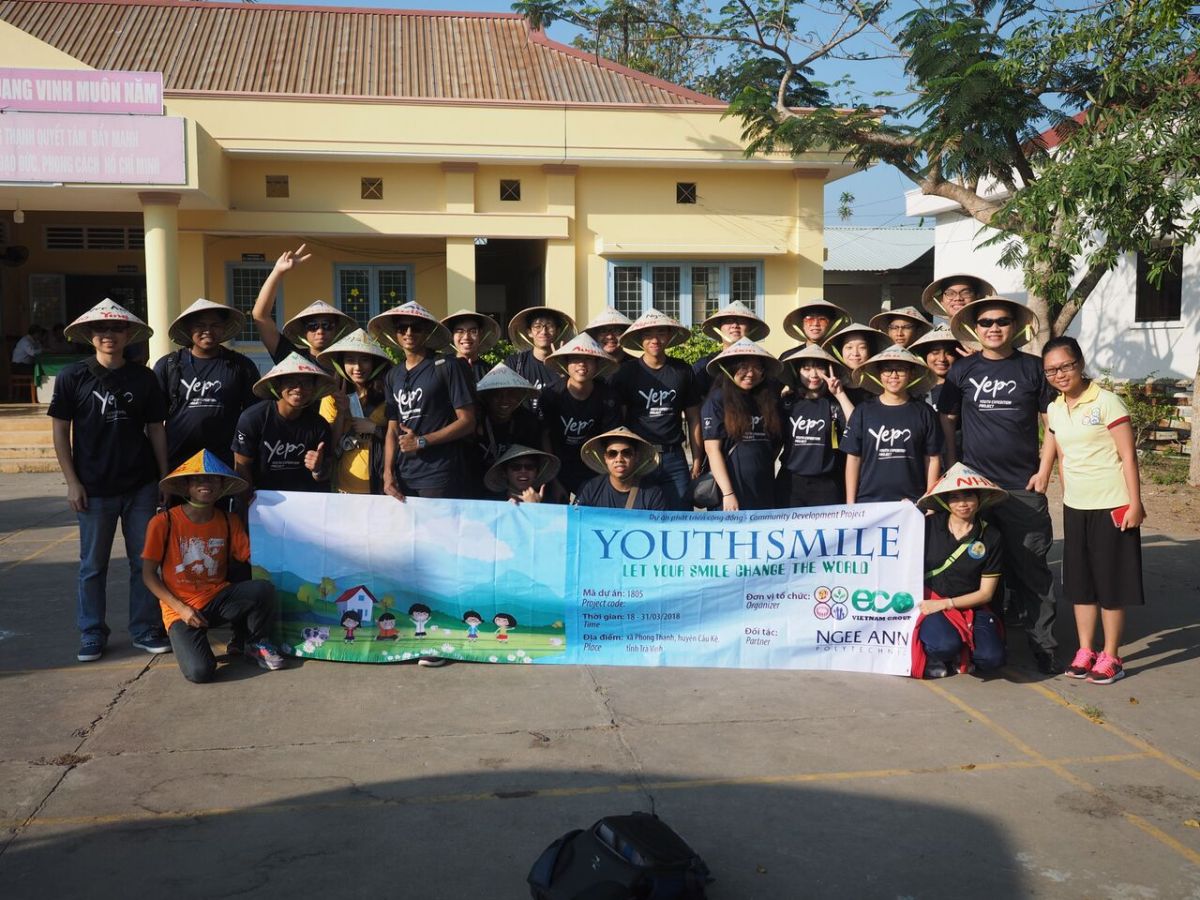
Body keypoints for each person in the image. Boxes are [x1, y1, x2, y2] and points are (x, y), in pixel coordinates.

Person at [940, 295, 1062, 674]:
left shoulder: (1032, 369)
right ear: (975, 328)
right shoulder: (962, 370)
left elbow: (1052, 422)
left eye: (1002, 321)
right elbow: (947, 419)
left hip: (1023, 488)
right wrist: (952, 465)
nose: (994, 328)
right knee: (979, 567)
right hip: (976, 490)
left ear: (1015, 326)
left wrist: (1045, 470)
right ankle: (987, 641)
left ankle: (1044, 644)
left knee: (1031, 568)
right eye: (986, 322)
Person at [49, 299, 171, 662]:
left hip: (141, 484)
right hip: (94, 488)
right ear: (89, 334)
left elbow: (156, 429)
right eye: (101, 329)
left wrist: (164, 477)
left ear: (128, 334)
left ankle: (145, 628)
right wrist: (72, 482)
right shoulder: (72, 377)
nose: (109, 335)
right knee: (92, 566)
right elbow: (60, 431)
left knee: (143, 562)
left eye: (117, 328)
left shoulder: (144, 378)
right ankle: (91, 632)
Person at [1036, 337, 1146, 684]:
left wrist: (1135, 503)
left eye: (1065, 366)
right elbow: (1054, 441)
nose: (1059, 374)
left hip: (1112, 504)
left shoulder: (1107, 401)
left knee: (1110, 584)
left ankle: (1112, 655)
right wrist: (1044, 472)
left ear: (1080, 364)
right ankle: (1086, 650)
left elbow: (1128, 455)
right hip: (1076, 506)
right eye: (1051, 370)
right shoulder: (1056, 407)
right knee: (1080, 584)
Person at [142, 450, 282, 682]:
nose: (205, 484)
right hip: (180, 609)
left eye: (212, 479)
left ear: (222, 487)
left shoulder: (229, 520)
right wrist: (181, 609)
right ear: (186, 486)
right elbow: (148, 575)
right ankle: (189, 640)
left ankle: (254, 642)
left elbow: (254, 558)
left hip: (218, 599)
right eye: (198, 479)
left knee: (262, 589)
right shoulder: (163, 523)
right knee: (200, 672)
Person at [370, 301, 475, 500]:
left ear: (427, 332)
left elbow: (468, 421)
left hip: (439, 473)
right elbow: (392, 429)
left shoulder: (447, 366)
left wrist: (421, 441)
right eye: (402, 328)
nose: (409, 333)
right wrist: (388, 474)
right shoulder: (393, 375)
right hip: (403, 475)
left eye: (416, 328)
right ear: (396, 333)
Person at [911, 463, 1008, 679]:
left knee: (991, 658)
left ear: (980, 499)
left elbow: (986, 594)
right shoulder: (927, 525)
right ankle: (937, 654)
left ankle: (961, 652)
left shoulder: (991, 536)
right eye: (954, 497)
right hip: (931, 603)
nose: (962, 503)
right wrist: (902, 512)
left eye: (968, 496)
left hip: (971, 606)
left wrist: (947, 604)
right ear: (945, 502)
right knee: (944, 645)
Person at [610, 308, 702, 510]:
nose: (655, 340)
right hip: (639, 456)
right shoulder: (626, 373)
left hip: (674, 456)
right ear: (640, 339)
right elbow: (620, 421)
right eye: (648, 334)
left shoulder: (682, 370)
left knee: (681, 515)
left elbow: (694, 417)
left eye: (661, 333)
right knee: (639, 514)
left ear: (670, 336)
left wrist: (697, 459)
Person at [153, 298, 261, 470]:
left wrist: (244, 468)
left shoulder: (241, 366)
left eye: (215, 325)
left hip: (225, 463)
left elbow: (254, 417)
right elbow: (154, 423)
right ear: (189, 329)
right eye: (200, 325)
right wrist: (162, 469)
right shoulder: (169, 365)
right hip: (179, 463)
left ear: (223, 328)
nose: (208, 330)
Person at [843, 345, 941, 503]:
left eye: (901, 370)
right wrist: (850, 503)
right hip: (869, 501)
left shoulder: (925, 412)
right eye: (887, 370)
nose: (893, 375)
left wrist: (928, 501)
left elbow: (933, 459)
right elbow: (853, 458)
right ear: (879, 374)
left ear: (911, 374)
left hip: (912, 501)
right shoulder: (863, 411)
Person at [232, 353, 337, 495]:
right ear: (278, 385)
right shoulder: (253, 418)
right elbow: (242, 466)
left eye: (306, 383)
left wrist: (317, 469)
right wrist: (248, 502)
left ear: (314, 389)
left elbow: (325, 475)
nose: (298, 388)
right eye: (291, 381)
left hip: (304, 500)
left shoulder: (319, 425)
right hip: (261, 499)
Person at [701, 339, 784, 511]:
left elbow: (775, 443)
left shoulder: (768, 399)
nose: (750, 373)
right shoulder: (718, 399)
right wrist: (728, 493)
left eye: (757, 367)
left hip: (763, 486)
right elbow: (712, 449)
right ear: (729, 368)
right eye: (743, 367)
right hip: (732, 489)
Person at [541, 334, 622, 500]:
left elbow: (610, 439)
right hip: (557, 464)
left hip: (592, 465)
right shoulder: (551, 394)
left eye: (588, 359)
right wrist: (553, 479)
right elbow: (544, 435)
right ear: (566, 364)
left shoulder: (608, 397)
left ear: (597, 364)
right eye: (575, 359)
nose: (581, 364)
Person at [776, 343, 855, 507]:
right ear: (797, 372)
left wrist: (840, 394)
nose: (813, 374)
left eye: (819, 368)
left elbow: (856, 427)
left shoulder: (834, 404)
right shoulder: (787, 403)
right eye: (806, 368)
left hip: (826, 485)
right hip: (790, 483)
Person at [316, 329, 392, 494]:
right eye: (350, 360)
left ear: (374, 363)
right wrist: (341, 413)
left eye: (365, 360)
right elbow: (329, 444)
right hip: (344, 487)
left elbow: (399, 435)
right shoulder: (332, 396)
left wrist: (374, 429)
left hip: (381, 486)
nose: (357, 367)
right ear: (341, 364)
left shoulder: (389, 395)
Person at [252, 244, 355, 364]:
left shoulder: (349, 363)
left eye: (327, 325)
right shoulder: (292, 358)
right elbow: (260, 316)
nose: (320, 331)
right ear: (303, 332)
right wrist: (277, 272)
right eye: (312, 326)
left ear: (337, 330)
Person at [473, 363, 542, 492]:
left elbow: (529, 463)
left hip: (513, 487)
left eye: (511, 394)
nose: (504, 400)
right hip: (476, 483)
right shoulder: (476, 422)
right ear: (487, 397)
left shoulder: (527, 422)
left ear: (521, 397)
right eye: (497, 394)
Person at [503, 306, 577, 418]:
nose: (544, 331)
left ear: (558, 331)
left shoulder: (568, 364)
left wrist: (563, 372)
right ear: (529, 332)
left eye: (549, 326)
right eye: (537, 326)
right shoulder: (515, 363)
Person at [692, 300, 771, 401]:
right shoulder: (704, 365)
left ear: (751, 328)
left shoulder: (763, 363)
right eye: (728, 321)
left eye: (741, 321)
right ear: (719, 328)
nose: (734, 325)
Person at [909, 325, 964, 468]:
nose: (942, 359)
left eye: (949, 353)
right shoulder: (913, 392)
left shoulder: (965, 390)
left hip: (960, 460)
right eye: (935, 352)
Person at [575, 426, 668, 510]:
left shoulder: (653, 494)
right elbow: (575, 519)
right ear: (605, 458)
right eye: (612, 453)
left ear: (636, 457)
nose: (619, 459)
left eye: (626, 453)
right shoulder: (590, 488)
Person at [821, 323, 890, 407]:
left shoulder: (882, 387)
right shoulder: (829, 386)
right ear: (840, 351)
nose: (855, 353)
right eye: (849, 347)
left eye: (862, 347)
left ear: (870, 350)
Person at [483, 444, 560, 504]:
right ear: (505, 473)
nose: (523, 471)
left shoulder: (550, 502)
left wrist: (535, 506)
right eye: (516, 467)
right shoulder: (492, 503)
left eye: (529, 467)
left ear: (537, 472)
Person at [443, 309, 501, 385]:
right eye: (460, 331)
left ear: (480, 334)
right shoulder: (442, 368)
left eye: (473, 331)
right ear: (452, 335)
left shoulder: (489, 372)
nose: (466, 337)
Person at [580, 308, 634, 376]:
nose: (610, 337)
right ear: (595, 336)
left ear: (625, 334)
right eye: (603, 331)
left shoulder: (637, 366)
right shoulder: (589, 367)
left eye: (616, 331)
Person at [920, 273, 996, 321]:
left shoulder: (989, 334)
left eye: (965, 293)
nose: (958, 298)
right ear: (941, 301)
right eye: (950, 293)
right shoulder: (937, 338)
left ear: (978, 297)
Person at [780, 299, 851, 347]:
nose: (815, 324)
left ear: (830, 325)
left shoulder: (840, 356)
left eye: (822, 319)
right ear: (802, 325)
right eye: (810, 319)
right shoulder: (789, 357)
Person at [869, 305, 933, 350]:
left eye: (907, 327)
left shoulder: (924, 359)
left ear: (918, 331)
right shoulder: (879, 359)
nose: (899, 334)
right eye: (894, 327)